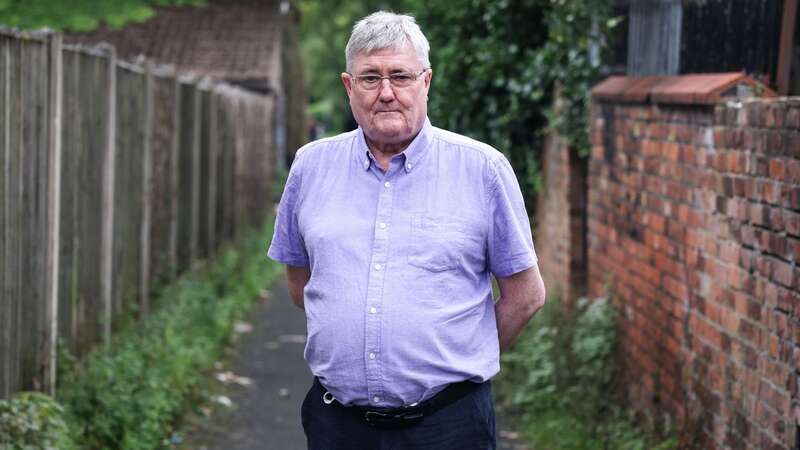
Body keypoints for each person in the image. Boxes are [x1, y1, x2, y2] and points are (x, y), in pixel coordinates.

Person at [268, 11, 546, 450]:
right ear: (348, 86)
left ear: (426, 82)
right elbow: (301, 281)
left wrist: (460, 354)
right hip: (337, 424)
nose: (386, 93)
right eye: (370, 78)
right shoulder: (310, 166)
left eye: (400, 76)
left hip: (450, 425)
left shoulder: (483, 169)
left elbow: (526, 294)